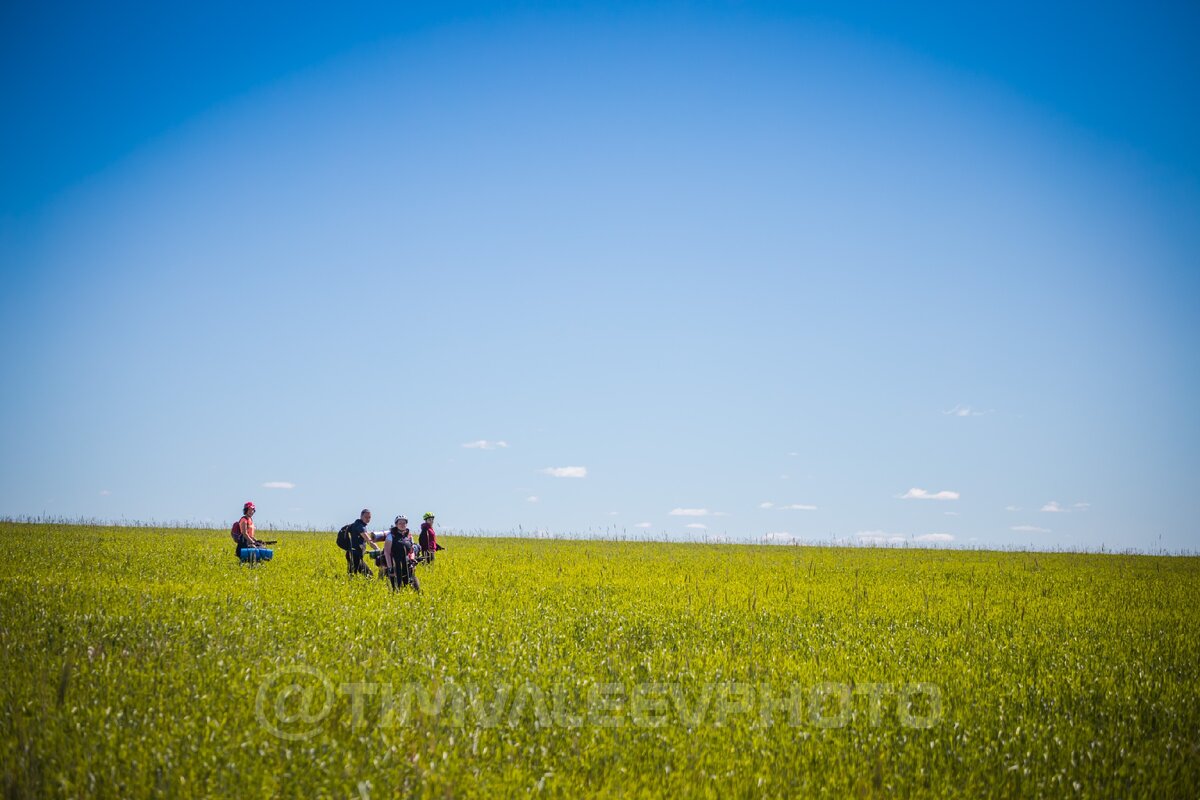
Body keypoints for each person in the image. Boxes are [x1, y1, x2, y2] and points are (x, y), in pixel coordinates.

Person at [384, 515, 420, 593]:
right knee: (397, 586)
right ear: (396, 524)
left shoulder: (409, 536)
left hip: (406, 562)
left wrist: (412, 559)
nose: (402, 525)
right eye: (400, 523)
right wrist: (390, 567)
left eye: (404, 523)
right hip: (395, 562)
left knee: (408, 583)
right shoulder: (391, 536)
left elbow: (411, 550)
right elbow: (387, 552)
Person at [343, 508, 379, 577]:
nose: (368, 519)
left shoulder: (358, 524)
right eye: (366, 517)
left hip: (354, 554)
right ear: (361, 516)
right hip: (354, 555)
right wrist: (378, 549)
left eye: (369, 517)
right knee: (368, 575)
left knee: (353, 575)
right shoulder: (360, 526)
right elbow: (369, 541)